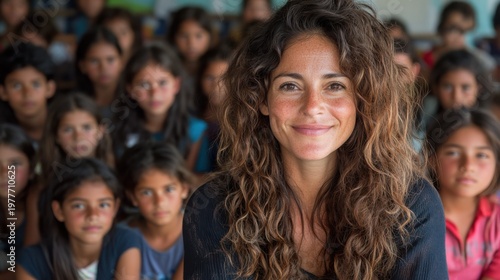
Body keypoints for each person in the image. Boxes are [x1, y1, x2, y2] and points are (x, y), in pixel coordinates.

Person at [183, 0, 448, 279]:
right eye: (290, 86)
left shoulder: (412, 206)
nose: (312, 106)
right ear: (262, 98)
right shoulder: (214, 209)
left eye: (335, 86)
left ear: (363, 99)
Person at [17, 158, 141, 280]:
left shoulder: (125, 242)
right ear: (59, 211)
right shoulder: (31, 262)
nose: (93, 215)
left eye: (103, 205)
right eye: (79, 206)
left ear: (115, 208)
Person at [24, 93, 114, 246]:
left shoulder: (116, 177)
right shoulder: (41, 188)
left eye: (86, 127)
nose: (78, 137)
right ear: (56, 136)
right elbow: (30, 250)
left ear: (100, 131)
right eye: (67, 129)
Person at [426, 108, 500, 279]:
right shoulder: (415, 219)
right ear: (431, 159)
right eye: (453, 152)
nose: (468, 166)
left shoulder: (496, 219)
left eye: (481, 155)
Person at [112, 44, 207, 172]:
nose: (155, 93)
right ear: (130, 90)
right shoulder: (117, 130)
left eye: (162, 83)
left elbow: (197, 179)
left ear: (176, 85)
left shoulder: (195, 130)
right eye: (144, 84)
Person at [117, 142, 194, 280]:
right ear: (132, 197)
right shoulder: (120, 236)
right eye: (146, 192)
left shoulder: (200, 235)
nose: (159, 202)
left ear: (184, 189)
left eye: (169, 189)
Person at [0, 42, 56, 142]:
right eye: (16, 86)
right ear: (3, 92)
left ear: (50, 88)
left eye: (36, 84)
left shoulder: (66, 124)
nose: (27, 93)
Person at [0, 124, 35, 280]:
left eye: (14, 164)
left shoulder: (42, 204)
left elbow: (34, 266)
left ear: (32, 169)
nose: (5, 173)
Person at [421, 1, 494, 72]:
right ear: (442, 27)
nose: (459, 37)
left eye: (465, 31)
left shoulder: (475, 58)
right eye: (453, 29)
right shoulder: (426, 60)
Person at [75, 26, 123, 117]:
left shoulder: (136, 102)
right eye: (94, 61)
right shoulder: (74, 105)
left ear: (121, 62)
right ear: (82, 66)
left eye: (110, 60)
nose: (103, 68)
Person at [166, 6, 213, 76]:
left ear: (210, 36)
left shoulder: (220, 66)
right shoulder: (165, 67)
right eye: (184, 36)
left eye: (198, 36)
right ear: (173, 37)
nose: (191, 43)